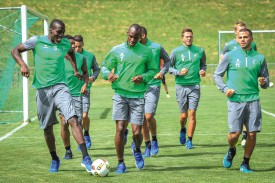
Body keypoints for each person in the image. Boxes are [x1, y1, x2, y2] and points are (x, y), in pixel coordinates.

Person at [11, 19, 92, 173]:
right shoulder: (37, 41)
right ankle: (55, 158)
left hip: (61, 87)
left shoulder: (65, 44)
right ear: (51, 30)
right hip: (42, 90)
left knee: (73, 119)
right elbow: (15, 50)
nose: (61, 36)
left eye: (63, 32)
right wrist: (23, 64)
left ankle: (86, 157)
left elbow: (71, 54)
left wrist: (75, 69)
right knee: (47, 128)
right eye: (58, 33)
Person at [101, 24, 157, 174]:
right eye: (130, 36)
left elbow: (153, 70)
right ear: (127, 34)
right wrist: (108, 75)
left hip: (138, 96)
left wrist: (143, 77)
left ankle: (137, 149)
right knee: (120, 129)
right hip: (120, 95)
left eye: (136, 37)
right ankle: (121, 163)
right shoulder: (116, 50)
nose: (132, 40)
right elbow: (104, 67)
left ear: (141, 37)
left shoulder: (147, 52)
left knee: (137, 132)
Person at [213, 28, 269, 173]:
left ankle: (245, 163)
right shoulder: (230, 56)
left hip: (253, 100)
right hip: (235, 100)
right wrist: (225, 89)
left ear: (251, 39)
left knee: (252, 134)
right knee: (235, 134)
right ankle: (231, 150)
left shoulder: (260, 58)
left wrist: (263, 82)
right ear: (236, 39)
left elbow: (266, 82)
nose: (243, 39)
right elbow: (217, 75)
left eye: (245, 37)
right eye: (240, 37)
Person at [220, 21, 257, 148]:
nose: (242, 34)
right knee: (235, 132)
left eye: (244, 30)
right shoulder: (229, 46)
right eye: (239, 31)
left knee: (251, 130)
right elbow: (222, 60)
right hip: (234, 91)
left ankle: (246, 134)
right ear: (235, 32)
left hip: (250, 91)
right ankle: (233, 146)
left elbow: (253, 60)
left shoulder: (252, 46)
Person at [169, 28, 207, 149]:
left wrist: (203, 71)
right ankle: (182, 129)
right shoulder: (176, 52)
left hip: (195, 85)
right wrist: (178, 72)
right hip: (181, 86)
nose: (189, 38)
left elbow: (203, 64)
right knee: (183, 116)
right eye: (187, 36)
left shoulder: (200, 50)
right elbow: (168, 67)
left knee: (193, 114)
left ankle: (189, 140)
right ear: (182, 38)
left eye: (191, 36)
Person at [139, 26, 171, 157]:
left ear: (143, 36)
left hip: (153, 85)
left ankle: (155, 139)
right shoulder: (134, 49)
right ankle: (147, 145)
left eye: (136, 36)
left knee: (148, 116)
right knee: (141, 118)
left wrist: (162, 72)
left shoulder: (157, 47)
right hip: (138, 87)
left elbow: (168, 61)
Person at [59, 35, 89, 160]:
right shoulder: (58, 59)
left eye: (73, 44)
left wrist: (85, 84)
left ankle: (83, 151)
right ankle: (68, 150)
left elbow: (86, 73)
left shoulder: (81, 58)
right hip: (62, 94)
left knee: (76, 122)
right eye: (69, 44)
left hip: (77, 94)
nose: (72, 46)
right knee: (64, 123)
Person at [73, 35, 100, 149]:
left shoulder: (89, 56)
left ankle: (87, 133)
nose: (77, 49)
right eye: (75, 47)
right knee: (77, 117)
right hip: (73, 90)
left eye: (79, 46)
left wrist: (93, 77)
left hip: (86, 89)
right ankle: (81, 141)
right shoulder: (69, 56)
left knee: (84, 115)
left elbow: (97, 69)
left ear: (83, 44)